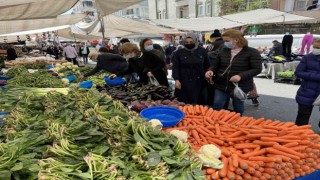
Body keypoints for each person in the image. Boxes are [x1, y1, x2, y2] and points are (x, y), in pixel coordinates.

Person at [205, 29, 262, 115]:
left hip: (240, 85)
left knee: (238, 107)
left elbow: (257, 69)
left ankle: (236, 124)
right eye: (224, 41)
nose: (225, 43)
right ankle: (216, 123)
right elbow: (215, 65)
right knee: (217, 105)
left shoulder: (252, 52)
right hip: (221, 84)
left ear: (236, 40)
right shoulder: (223, 50)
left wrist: (240, 76)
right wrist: (210, 70)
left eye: (227, 41)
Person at [172, 33, 210, 105]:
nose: (189, 44)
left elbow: (207, 65)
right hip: (184, 82)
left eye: (191, 42)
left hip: (199, 81)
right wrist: (176, 79)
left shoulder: (202, 51)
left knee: (199, 104)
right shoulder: (179, 52)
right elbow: (175, 67)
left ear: (196, 41)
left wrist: (208, 75)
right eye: (186, 42)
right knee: (184, 103)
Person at [295, 38, 320, 126]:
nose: (316, 50)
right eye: (315, 47)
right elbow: (298, 72)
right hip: (306, 91)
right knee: (302, 116)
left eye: (318, 48)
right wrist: (317, 76)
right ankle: (299, 133)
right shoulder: (307, 57)